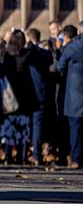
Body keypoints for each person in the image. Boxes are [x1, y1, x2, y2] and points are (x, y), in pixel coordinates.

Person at [0, 30, 38, 164]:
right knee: (23, 128)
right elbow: (37, 54)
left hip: (9, 97)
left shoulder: (7, 55)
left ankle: (8, 156)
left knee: (9, 127)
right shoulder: (26, 54)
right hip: (24, 96)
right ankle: (21, 156)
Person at [56, 25, 83, 169]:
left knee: (75, 128)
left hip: (75, 94)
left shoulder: (72, 48)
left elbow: (59, 67)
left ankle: (76, 158)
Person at [26, 29, 54, 165]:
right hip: (39, 94)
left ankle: (28, 154)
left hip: (29, 94)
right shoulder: (45, 54)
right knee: (36, 125)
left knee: (30, 125)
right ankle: (36, 155)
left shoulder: (30, 53)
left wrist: (30, 47)